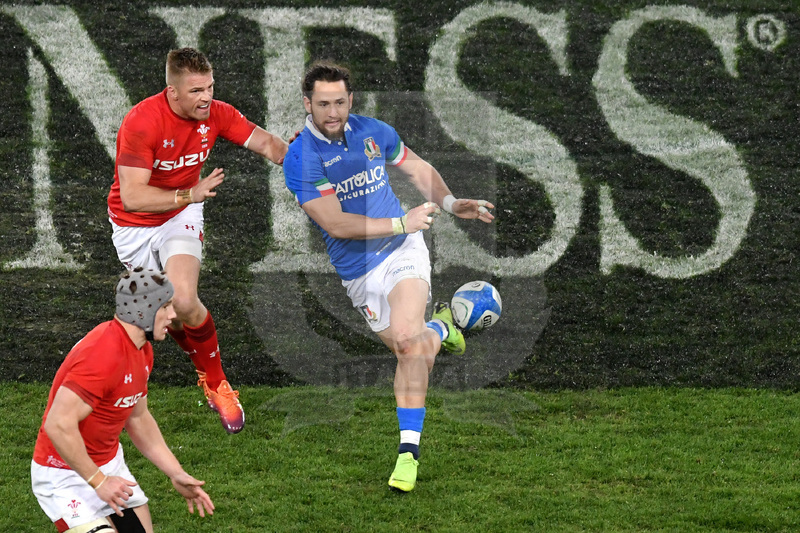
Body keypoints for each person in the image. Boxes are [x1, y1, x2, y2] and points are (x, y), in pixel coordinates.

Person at [283, 61, 495, 492]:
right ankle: (442, 327)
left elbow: (416, 168)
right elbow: (337, 224)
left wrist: (452, 205)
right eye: (323, 103)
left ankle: (407, 454)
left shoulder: (373, 131)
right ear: (307, 104)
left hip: (403, 252)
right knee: (416, 351)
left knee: (404, 341)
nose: (333, 111)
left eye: (340, 101)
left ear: (350, 99)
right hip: (358, 273)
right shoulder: (302, 156)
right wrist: (403, 222)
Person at [107, 47, 289, 434]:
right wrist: (188, 194)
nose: (206, 97)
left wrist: (308, 160)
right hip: (134, 224)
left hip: (181, 215)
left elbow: (269, 146)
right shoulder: (142, 122)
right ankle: (200, 361)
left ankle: (217, 382)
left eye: (209, 87)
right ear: (172, 92)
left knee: (185, 299)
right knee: (165, 313)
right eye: (195, 91)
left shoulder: (217, 113)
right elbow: (133, 196)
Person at [32, 268, 215, 533]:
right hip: (64, 474)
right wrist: (99, 481)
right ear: (144, 310)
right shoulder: (102, 355)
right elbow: (58, 424)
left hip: (109, 466)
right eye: (165, 307)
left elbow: (137, 417)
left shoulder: (142, 349)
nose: (174, 316)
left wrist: (176, 473)